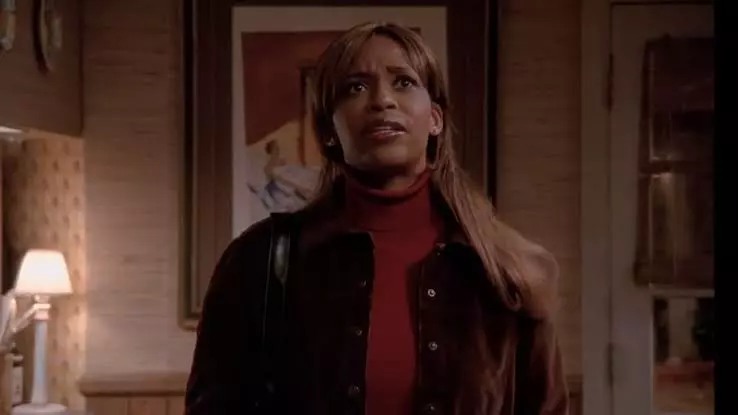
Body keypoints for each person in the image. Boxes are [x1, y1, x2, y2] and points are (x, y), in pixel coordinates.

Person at [185, 21, 569, 415]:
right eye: (355, 87)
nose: (382, 99)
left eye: (403, 82)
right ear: (329, 130)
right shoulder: (259, 260)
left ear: (435, 119)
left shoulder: (505, 268)